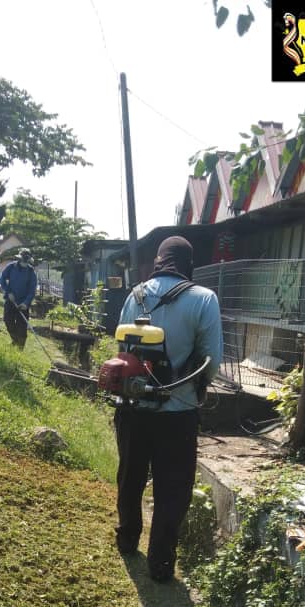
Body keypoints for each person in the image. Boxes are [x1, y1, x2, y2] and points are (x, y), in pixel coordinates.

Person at [114, 236, 223, 583]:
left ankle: (127, 538)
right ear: (189, 263)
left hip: (131, 406)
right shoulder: (203, 299)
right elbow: (212, 361)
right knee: (172, 488)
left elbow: (121, 351)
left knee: (130, 476)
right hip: (178, 414)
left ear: (159, 260)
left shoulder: (135, 295)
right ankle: (160, 563)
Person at [0, 248, 37, 348]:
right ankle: (15, 341)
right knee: (8, 321)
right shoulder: (11, 267)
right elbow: (1, 279)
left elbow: (32, 290)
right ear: (20, 259)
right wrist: (8, 292)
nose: (25, 263)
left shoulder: (31, 272)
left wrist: (26, 303)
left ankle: (20, 348)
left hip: (23, 303)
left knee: (22, 327)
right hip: (10, 300)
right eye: (23, 261)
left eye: (26, 261)